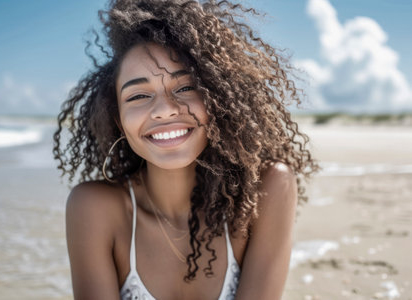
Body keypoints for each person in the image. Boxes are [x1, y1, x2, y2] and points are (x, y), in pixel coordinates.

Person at [53, 0, 317, 299]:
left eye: (185, 88)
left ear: (217, 99)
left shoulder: (266, 189)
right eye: (139, 95)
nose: (165, 110)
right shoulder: (95, 208)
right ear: (118, 119)